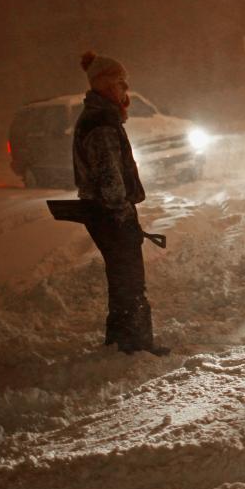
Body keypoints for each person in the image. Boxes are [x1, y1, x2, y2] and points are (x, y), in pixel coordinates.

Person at [73, 51, 169, 356]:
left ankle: (119, 342)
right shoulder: (101, 122)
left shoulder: (100, 116)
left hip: (104, 215)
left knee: (120, 279)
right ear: (103, 84)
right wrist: (122, 212)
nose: (124, 89)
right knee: (130, 281)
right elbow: (110, 180)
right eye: (119, 83)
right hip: (111, 215)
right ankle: (135, 345)